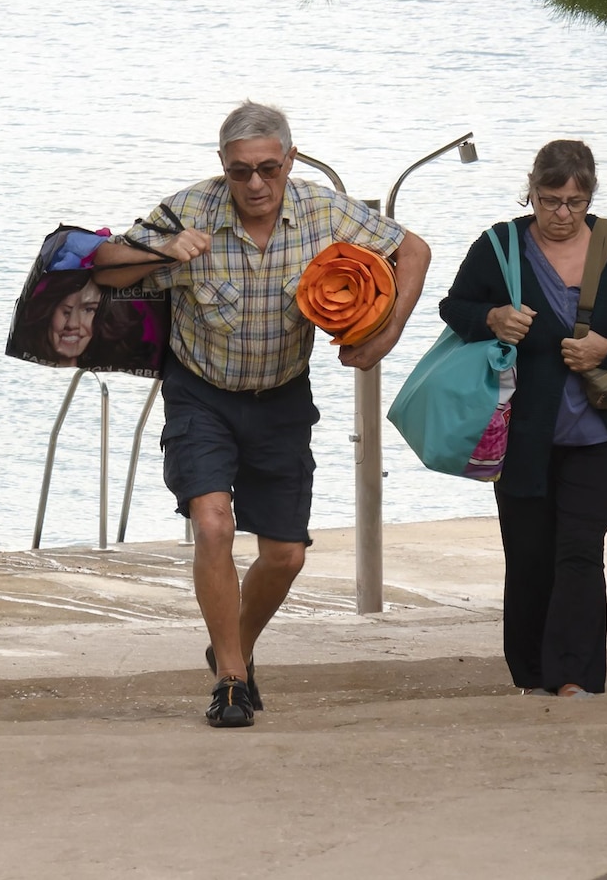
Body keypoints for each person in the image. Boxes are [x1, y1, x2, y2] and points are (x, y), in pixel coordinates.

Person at [94, 102, 431, 727]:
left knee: (286, 556)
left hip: (281, 397)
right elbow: (107, 267)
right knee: (214, 526)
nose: (254, 185)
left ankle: (234, 651)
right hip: (201, 393)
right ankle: (229, 682)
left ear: (291, 161)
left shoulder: (322, 210)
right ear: (222, 167)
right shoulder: (191, 208)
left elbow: (412, 249)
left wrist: (383, 337)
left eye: (267, 169)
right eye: (239, 171)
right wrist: (166, 251)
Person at [439, 140, 607, 697]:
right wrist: (492, 317)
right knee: (530, 557)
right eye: (549, 200)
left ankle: (572, 676)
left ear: (589, 195)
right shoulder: (499, 245)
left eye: (574, 201)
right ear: (531, 193)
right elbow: (455, 307)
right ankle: (531, 674)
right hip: (523, 437)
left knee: (579, 551)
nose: (562, 214)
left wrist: (606, 349)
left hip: (603, 432)